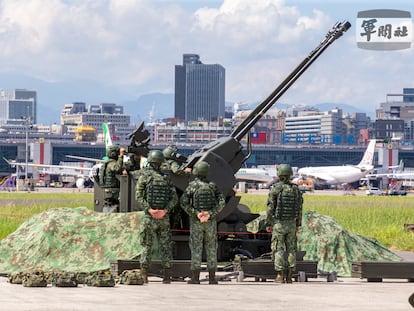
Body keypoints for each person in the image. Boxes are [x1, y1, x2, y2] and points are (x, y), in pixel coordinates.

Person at [135, 149, 178, 284]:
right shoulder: (166, 178)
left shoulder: (144, 177)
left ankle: (144, 274)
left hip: (149, 217)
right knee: (165, 245)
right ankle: (167, 276)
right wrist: (165, 210)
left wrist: (150, 209)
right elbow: (174, 198)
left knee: (147, 245)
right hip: (164, 218)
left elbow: (139, 196)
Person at [180, 161, 225, 285]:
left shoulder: (192, 186)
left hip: (196, 222)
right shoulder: (212, 186)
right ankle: (212, 278)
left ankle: (195, 278)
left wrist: (196, 213)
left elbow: (183, 202)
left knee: (196, 248)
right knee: (211, 248)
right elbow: (221, 202)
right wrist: (210, 213)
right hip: (210, 222)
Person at [266, 164, 303, 283]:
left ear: (279, 175)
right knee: (291, 249)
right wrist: (298, 224)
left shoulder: (276, 188)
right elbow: (299, 208)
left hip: (279, 224)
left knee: (278, 248)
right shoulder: (295, 189)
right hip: (292, 224)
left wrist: (268, 223)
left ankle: (280, 275)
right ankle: (290, 275)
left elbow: (270, 207)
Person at [99, 145, 125, 213]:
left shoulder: (106, 163)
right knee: (114, 206)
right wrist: (121, 156)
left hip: (108, 190)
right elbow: (117, 168)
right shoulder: (112, 163)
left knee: (109, 205)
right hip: (113, 190)